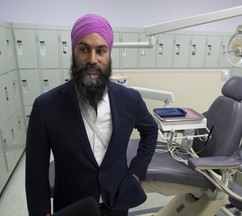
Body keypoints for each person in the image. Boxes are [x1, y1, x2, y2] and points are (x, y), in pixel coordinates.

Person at [25, 14, 158, 216]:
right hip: (72, 207)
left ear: (109, 55)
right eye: (84, 49)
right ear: (73, 52)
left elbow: (150, 130)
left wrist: (137, 172)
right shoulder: (46, 107)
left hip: (117, 203)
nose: (92, 59)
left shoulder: (130, 100)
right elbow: (36, 172)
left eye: (101, 51)